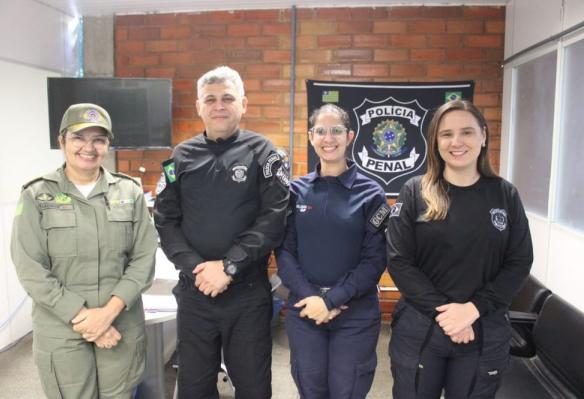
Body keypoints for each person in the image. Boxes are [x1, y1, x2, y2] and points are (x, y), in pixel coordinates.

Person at [153, 66, 289, 399]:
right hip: (195, 292)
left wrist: (228, 266)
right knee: (194, 388)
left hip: (246, 295)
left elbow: (274, 217)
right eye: (210, 99)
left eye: (227, 98)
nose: (219, 106)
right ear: (199, 106)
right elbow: (165, 219)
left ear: (243, 103)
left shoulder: (266, 154)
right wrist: (197, 268)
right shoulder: (179, 157)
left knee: (253, 387)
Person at [386, 100, 533, 398]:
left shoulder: (505, 194)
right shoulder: (415, 191)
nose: (456, 142)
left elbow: (519, 261)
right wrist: (448, 315)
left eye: (466, 132)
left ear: (482, 136)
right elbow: (399, 261)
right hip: (421, 326)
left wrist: (473, 309)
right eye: (446, 134)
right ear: (435, 142)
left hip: (484, 329)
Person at [11, 103, 157, 399]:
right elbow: (30, 268)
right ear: (61, 141)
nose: (88, 147)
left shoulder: (129, 192)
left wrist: (108, 314)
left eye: (99, 139)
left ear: (107, 145)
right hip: (62, 329)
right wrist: (87, 318)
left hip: (121, 325)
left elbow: (144, 257)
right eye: (79, 137)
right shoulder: (37, 195)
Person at [276, 104, 388, 398]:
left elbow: (374, 260)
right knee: (310, 389)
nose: (329, 138)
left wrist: (331, 300)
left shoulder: (371, 193)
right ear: (311, 137)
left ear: (349, 136)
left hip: (356, 314)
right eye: (321, 131)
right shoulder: (295, 191)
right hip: (306, 310)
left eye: (336, 130)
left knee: (347, 390)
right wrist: (314, 299)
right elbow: (285, 253)